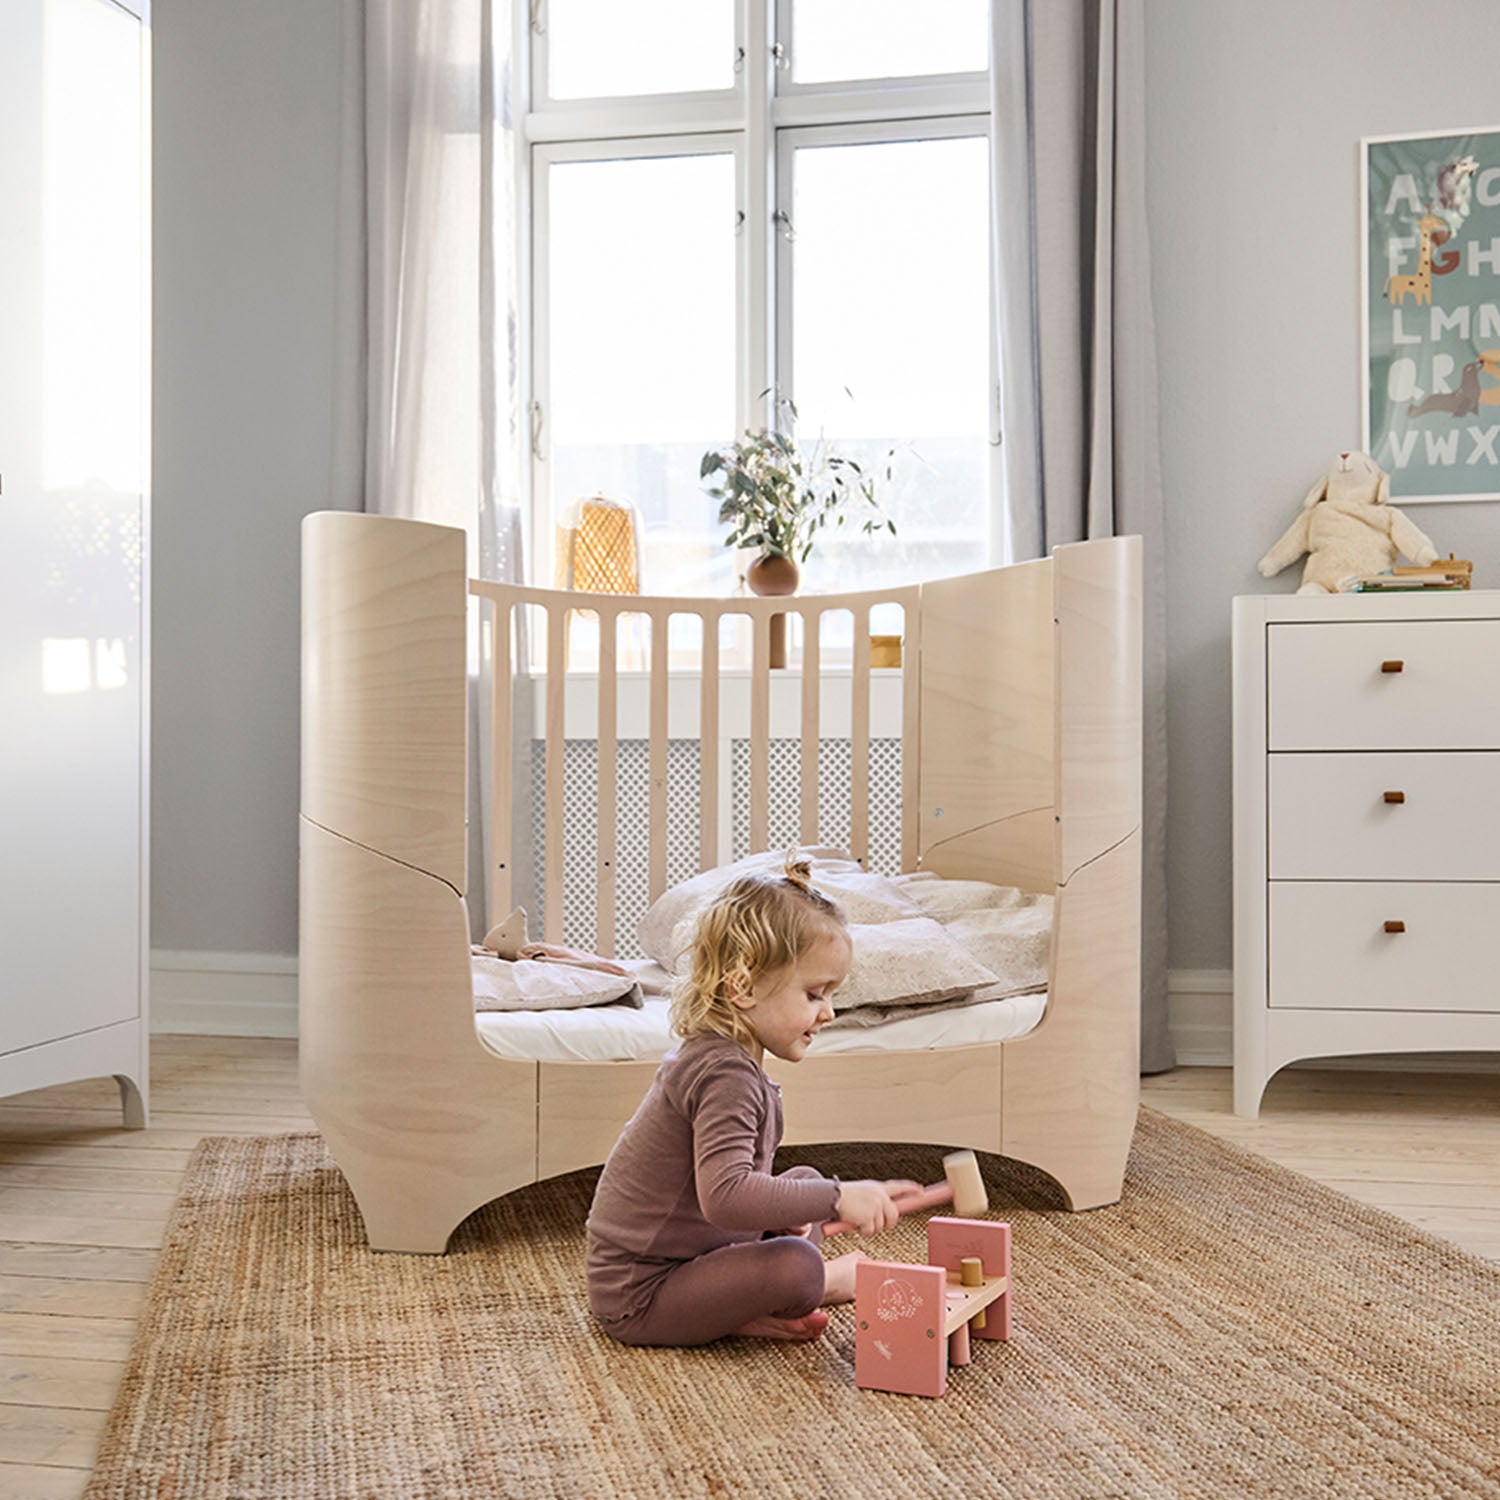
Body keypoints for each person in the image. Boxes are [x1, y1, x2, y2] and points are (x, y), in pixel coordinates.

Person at [585, 856, 920, 1346]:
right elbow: (725, 1197)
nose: (828, 1013)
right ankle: (815, 1286)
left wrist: (829, 1195)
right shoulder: (725, 1073)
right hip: (640, 1295)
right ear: (742, 988)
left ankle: (734, 1310)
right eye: (814, 994)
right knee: (798, 1264)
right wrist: (838, 1196)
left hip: (695, 1255)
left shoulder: (727, 1059)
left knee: (801, 1187)